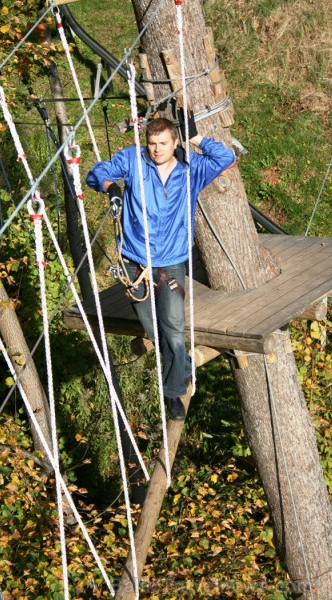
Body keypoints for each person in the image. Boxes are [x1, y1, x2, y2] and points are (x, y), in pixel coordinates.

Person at [86, 115, 235, 421]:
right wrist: (111, 186)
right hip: (134, 260)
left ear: (175, 143)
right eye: (152, 143)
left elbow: (225, 156)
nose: (156, 150)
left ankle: (172, 393)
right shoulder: (133, 160)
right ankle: (182, 365)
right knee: (154, 329)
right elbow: (95, 173)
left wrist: (196, 138)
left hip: (170, 263)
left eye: (163, 143)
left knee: (174, 329)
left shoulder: (192, 170)